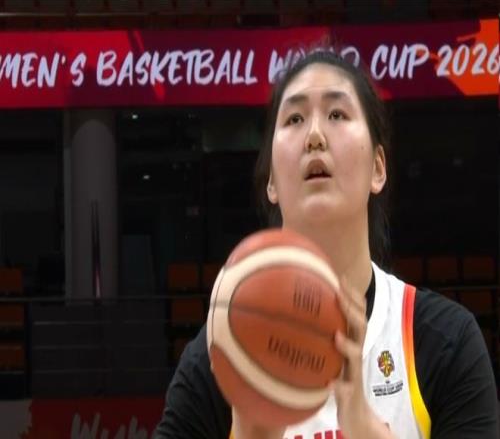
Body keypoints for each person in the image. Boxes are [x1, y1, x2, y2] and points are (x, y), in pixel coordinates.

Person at [154, 49, 499, 439]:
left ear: (378, 168)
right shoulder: (222, 357)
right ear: (271, 181)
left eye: (337, 114)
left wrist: (364, 429)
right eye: (294, 119)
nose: (315, 136)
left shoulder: (445, 339)